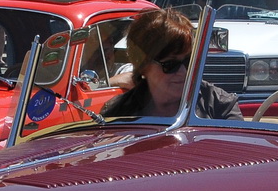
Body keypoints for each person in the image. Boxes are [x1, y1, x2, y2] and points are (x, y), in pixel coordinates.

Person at [101, 9, 237, 119]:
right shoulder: (117, 113)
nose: (183, 72)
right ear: (143, 66)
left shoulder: (220, 106)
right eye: (170, 64)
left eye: (188, 61)